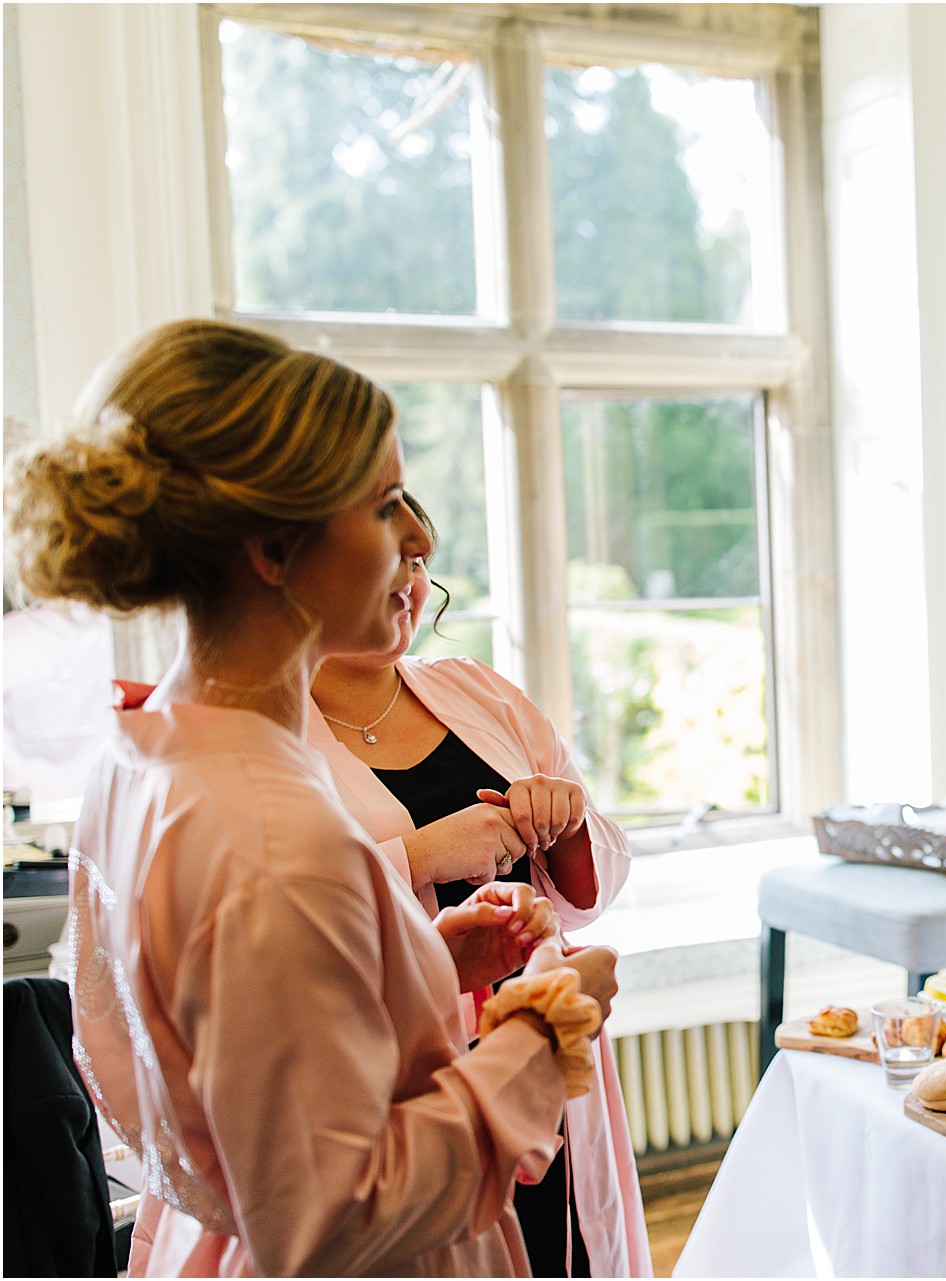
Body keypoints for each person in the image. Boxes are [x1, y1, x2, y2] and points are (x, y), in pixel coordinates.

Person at [7, 318, 622, 1276]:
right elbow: (338, 1216)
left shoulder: (140, 757)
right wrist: (545, 1033)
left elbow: (197, 1046)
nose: (416, 536)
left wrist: (416, 959)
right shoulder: (275, 837)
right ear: (272, 547)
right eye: (383, 506)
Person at [306, 493, 648, 1277]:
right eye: (389, 556)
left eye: (420, 559)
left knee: (558, 1245)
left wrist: (565, 825)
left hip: (538, 1033)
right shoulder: (272, 736)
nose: (410, 581)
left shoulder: (476, 689)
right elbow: (286, 919)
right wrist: (417, 855)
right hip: (402, 1070)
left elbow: (600, 876)